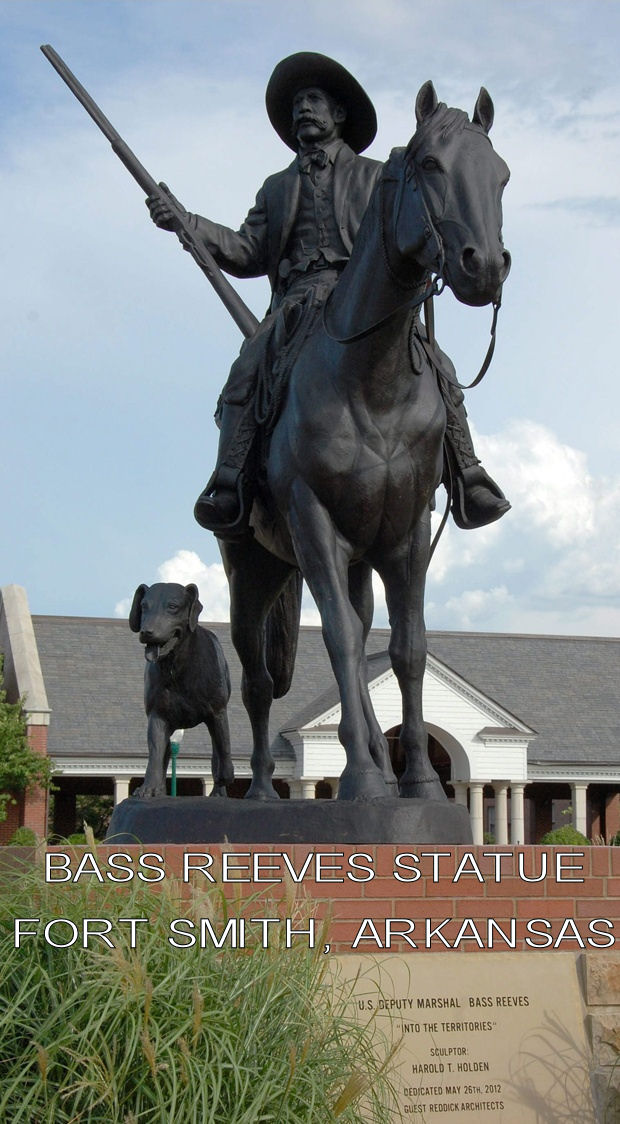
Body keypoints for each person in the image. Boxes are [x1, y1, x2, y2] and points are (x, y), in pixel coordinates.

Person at [148, 52, 509, 537]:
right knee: (245, 373)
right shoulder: (276, 188)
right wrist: (185, 220)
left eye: (314, 100)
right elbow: (245, 251)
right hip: (297, 305)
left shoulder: (378, 175)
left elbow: (411, 228)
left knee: (438, 366)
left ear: (339, 114)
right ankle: (229, 481)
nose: (304, 109)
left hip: (363, 298)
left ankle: (468, 473)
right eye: (298, 103)